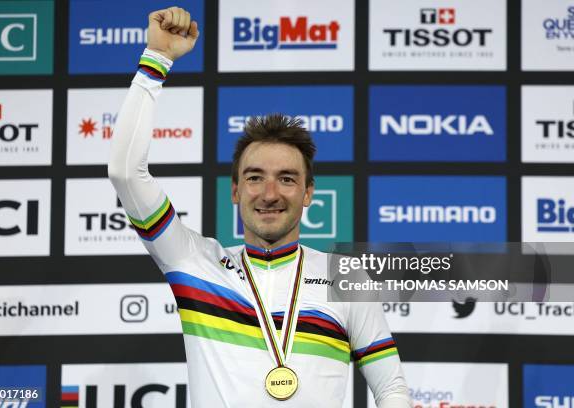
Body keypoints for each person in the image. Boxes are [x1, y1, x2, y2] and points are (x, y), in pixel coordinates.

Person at [108, 6, 412, 408]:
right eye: (254, 177)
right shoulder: (195, 263)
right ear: (235, 190)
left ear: (308, 193)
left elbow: (391, 390)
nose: (269, 193)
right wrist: (157, 59)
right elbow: (126, 173)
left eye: (286, 178)